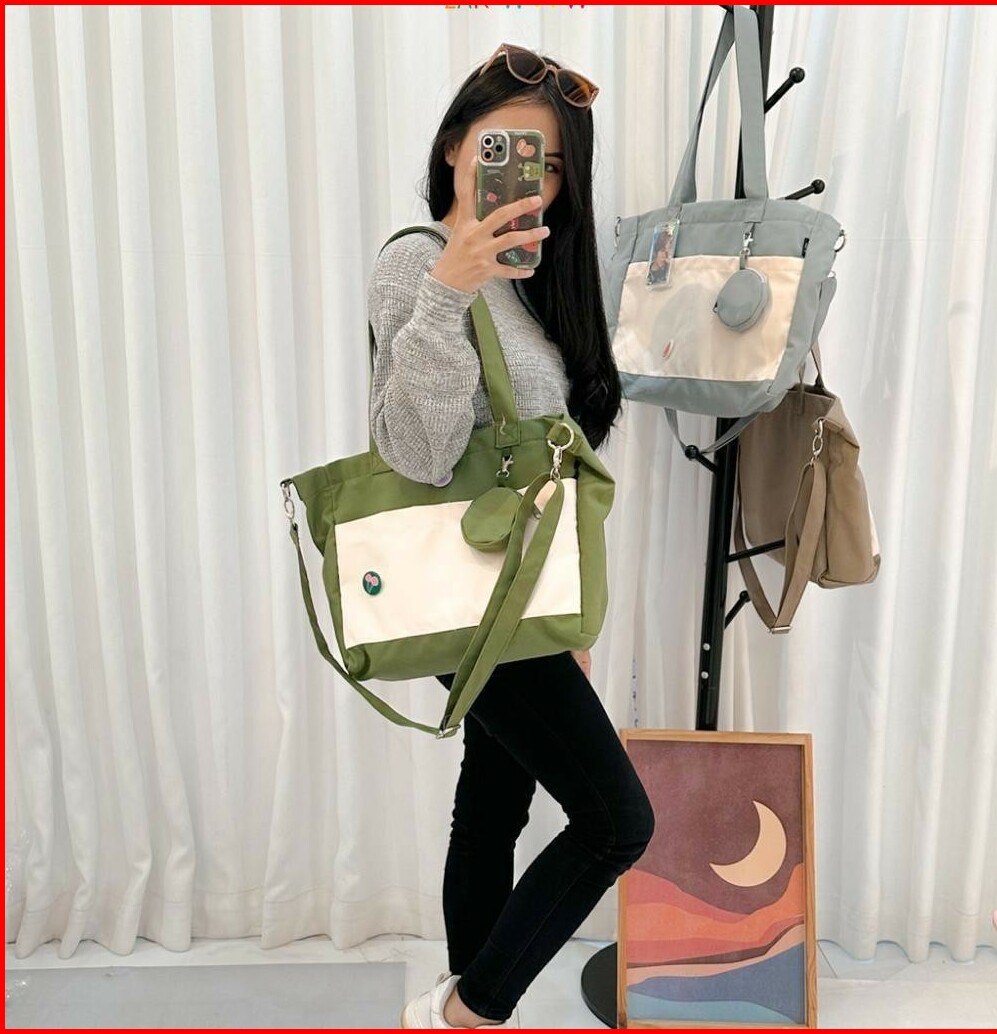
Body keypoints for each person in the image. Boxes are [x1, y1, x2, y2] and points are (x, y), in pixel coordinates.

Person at [367, 42, 656, 1029]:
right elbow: (416, 453)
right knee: (616, 820)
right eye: (504, 150)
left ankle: (465, 1001)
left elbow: (546, 458)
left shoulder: (531, 281)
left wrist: (564, 609)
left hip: (527, 590)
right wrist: (447, 287)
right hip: (469, 592)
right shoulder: (415, 264)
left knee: (493, 802)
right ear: (456, 147)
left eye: (551, 164)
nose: (527, 179)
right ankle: (471, 1008)